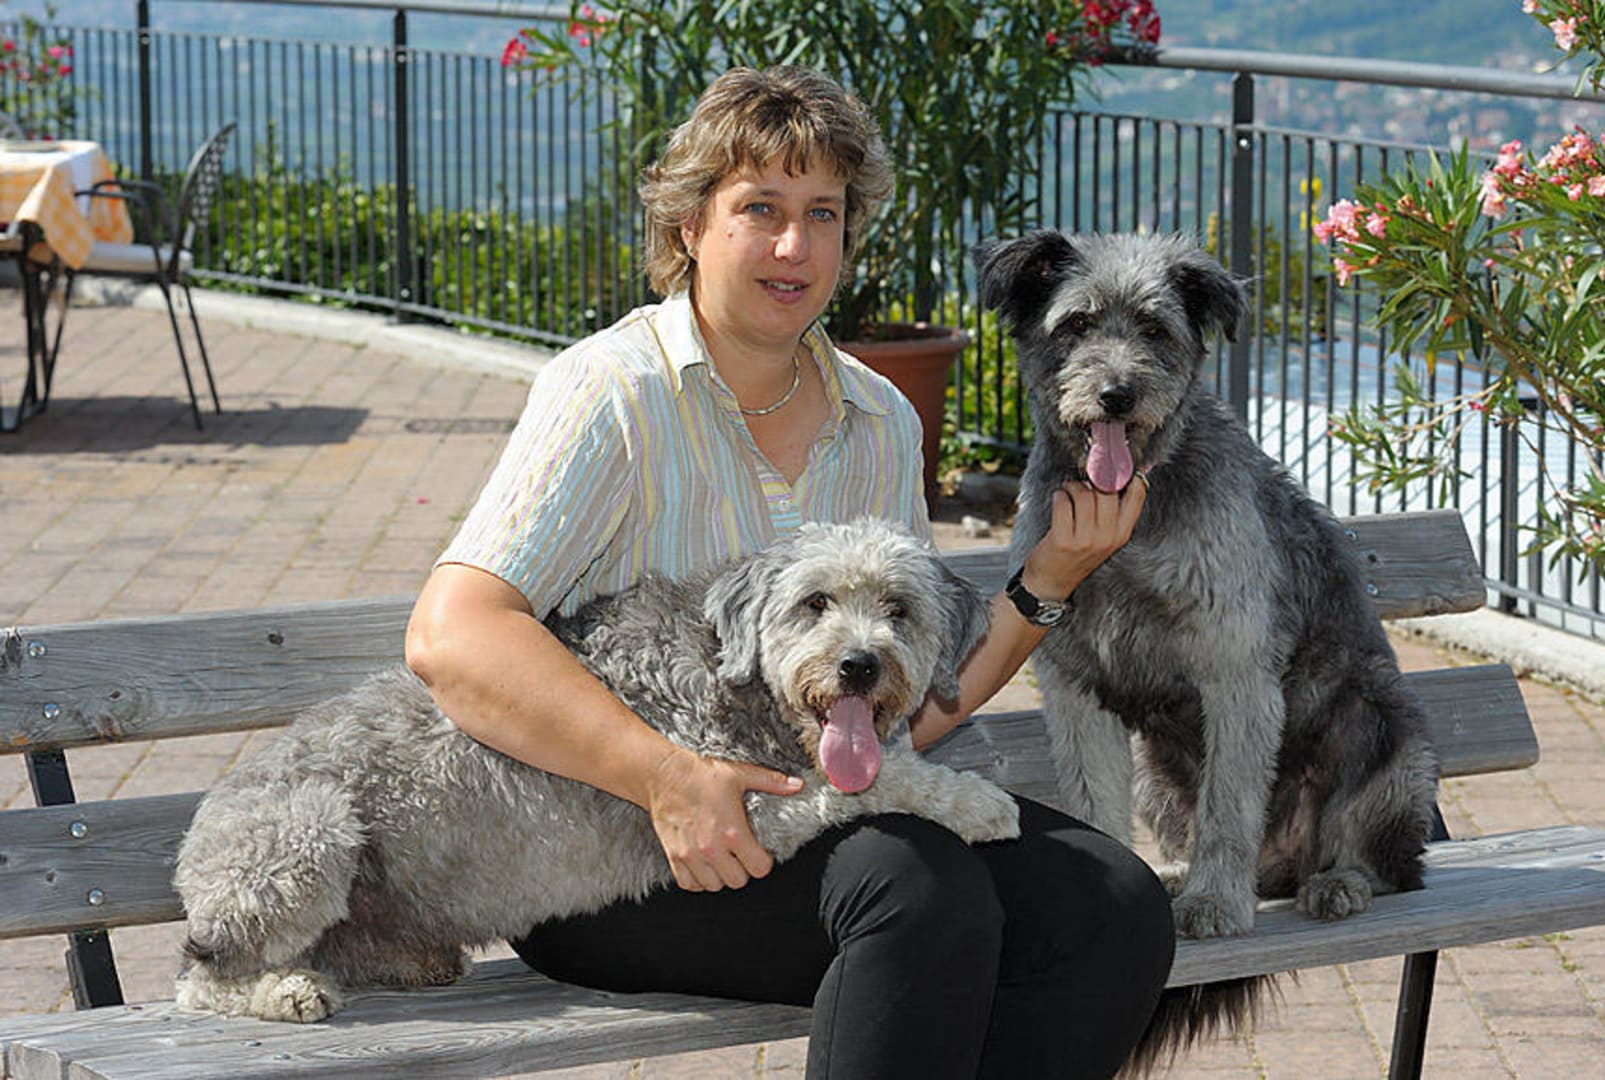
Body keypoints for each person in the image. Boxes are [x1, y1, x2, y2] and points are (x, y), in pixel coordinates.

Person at [405, 65, 1172, 1079]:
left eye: (822, 214)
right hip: (615, 854)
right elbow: (452, 635)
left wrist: (1049, 582)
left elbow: (902, 702)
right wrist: (667, 779)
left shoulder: (878, 419)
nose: (792, 246)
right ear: (690, 224)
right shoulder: (611, 395)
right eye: (759, 209)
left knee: (1114, 905)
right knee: (916, 890)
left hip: (819, 818)